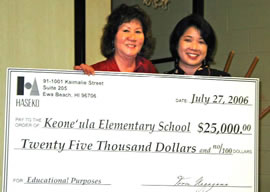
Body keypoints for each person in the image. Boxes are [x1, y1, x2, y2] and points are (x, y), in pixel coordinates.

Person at [75, 4, 157, 75]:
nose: (132, 37)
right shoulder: (96, 72)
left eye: (138, 31)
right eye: (126, 30)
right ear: (113, 36)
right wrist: (80, 80)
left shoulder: (148, 68)